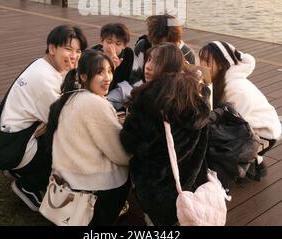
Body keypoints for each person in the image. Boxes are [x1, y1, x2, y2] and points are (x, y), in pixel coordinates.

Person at [0, 24, 87, 211]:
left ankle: (18, 169)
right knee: (71, 148)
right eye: (68, 49)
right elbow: (68, 123)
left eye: (78, 51)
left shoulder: (42, 64)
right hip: (10, 147)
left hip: (4, 138)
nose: (74, 56)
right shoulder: (44, 80)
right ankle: (28, 186)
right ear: (52, 48)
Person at [120, 43, 210, 225]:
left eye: (156, 62)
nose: (148, 65)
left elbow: (130, 143)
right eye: (149, 59)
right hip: (189, 183)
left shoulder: (149, 100)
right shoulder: (195, 97)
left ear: (169, 66)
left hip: (157, 188)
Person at [45, 50, 130, 226]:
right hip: (91, 188)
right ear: (83, 76)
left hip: (65, 178)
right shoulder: (95, 103)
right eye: (100, 72)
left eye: (109, 71)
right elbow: (120, 155)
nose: (107, 78)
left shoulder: (70, 96)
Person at [199, 41, 281, 179]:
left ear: (221, 64)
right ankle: (255, 162)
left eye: (207, 61)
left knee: (211, 137)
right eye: (201, 60)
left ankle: (250, 163)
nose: (202, 65)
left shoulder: (235, 88)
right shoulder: (221, 81)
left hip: (264, 132)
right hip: (251, 125)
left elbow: (236, 126)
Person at [129, 14, 195, 85]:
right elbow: (134, 77)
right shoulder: (143, 46)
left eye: (168, 44)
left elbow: (188, 85)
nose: (163, 49)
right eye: (158, 44)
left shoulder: (187, 53)